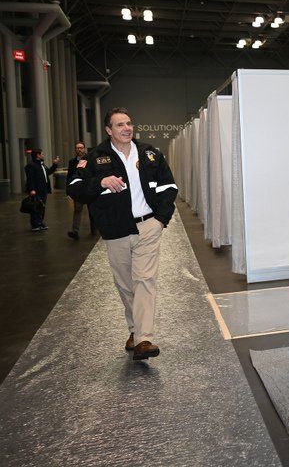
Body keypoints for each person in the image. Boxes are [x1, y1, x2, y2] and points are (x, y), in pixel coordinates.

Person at [68, 107, 178, 360]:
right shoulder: (95, 158)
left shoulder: (150, 154)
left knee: (144, 281)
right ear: (108, 130)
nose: (127, 128)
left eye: (129, 123)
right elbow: (75, 188)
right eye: (120, 125)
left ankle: (143, 338)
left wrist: (160, 220)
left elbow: (169, 186)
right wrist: (101, 182)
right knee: (125, 284)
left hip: (148, 227)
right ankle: (135, 329)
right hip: (116, 231)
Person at [24, 149, 60, 231]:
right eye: (42, 154)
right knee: (35, 207)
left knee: (41, 207)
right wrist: (32, 189)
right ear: (38, 155)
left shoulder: (42, 165)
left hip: (43, 189)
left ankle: (40, 223)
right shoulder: (31, 165)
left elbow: (49, 172)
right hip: (36, 190)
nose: (43, 155)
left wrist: (55, 164)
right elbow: (30, 179)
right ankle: (35, 225)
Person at [66, 141, 95, 240]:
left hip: (90, 188)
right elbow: (69, 176)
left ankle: (94, 229)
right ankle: (75, 231)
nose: (79, 149)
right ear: (75, 149)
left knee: (92, 210)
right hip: (78, 189)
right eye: (77, 148)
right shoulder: (72, 162)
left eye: (81, 148)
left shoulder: (90, 158)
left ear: (84, 148)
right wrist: (68, 191)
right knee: (77, 210)